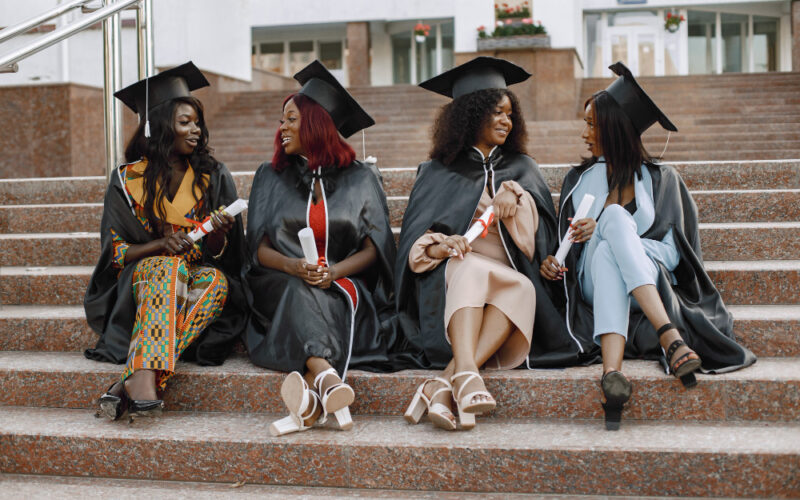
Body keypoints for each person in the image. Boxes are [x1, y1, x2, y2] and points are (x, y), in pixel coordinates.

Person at [540, 61, 757, 430]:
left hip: (646, 277)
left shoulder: (662, 180)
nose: (584, 133)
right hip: (590, 284)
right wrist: (553, 263)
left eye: (592, 124)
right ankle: (669, 335)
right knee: (611, 224)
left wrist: (614, 235)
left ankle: (612, 374)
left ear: (615, 128)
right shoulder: (578, 179)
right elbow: (567, 251)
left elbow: (675, 255)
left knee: (612, 232)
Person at [395, 57, 582, 431]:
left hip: (504, 275)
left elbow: (537, 240)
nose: (505, 121)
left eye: (510, 114)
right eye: (496, 112)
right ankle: (465, 374)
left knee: (523, 288)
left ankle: (448, 381)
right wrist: (442, 245)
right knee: (472, 268)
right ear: (471, 115)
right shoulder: (436, 171)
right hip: (453, 274)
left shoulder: (523, 167)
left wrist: (516, 197)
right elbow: (415, 249)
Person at [84, 62, 248, 421]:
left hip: (192, 281)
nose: (195, 130)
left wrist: (219, 233)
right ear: (159, 126)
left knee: (216, 283)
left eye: (197, 122)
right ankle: (144, 379)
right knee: (165, 265)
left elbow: (224, 255)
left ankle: (135, 377)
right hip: (138, 287)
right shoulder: (126, 181)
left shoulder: (213, 175)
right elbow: (115, 252)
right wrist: (160, 246)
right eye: (184, 122)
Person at [243, 60, 397, 436]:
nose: (282, 129)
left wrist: (335, 272)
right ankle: (329, 380)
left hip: (343, 283)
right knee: (301, 286)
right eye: (282, 120)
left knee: (315, 289)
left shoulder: (361, 177)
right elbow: (258, 249)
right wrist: (295, 267)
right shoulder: (270, 175)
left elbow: (375, 248)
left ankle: (314, 397)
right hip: (280, 284)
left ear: (315, 123)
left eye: (291, 120)